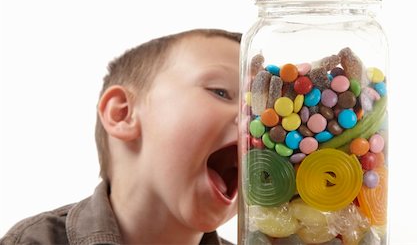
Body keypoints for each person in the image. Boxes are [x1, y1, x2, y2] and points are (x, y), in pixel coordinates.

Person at [1, 29, 241, 245]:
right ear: (122, 114)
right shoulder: (33, 241)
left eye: (262, 109)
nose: (255, 121)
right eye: (221, 92)